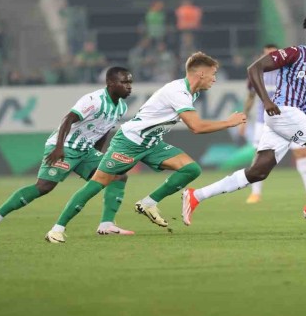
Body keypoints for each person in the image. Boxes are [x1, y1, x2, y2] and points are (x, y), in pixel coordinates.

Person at [181, 17, 306, 226]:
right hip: (284, 111)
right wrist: (266, 100)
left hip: (289, 117)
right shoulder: (295, 53)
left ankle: (196, 196)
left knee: (257, 172)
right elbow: (254, 69)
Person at [44, 52, 246, 243]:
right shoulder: (178, 92)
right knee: (98, 183)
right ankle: (56, 229)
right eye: (213, 73)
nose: (215, 79)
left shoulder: (191, 93)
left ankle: (148, 203)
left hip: (151, 143)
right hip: (130, 142)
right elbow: (196, 127)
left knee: (191, 169)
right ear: (201, 73)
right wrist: (229, 122)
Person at [0, 66, 135, 239]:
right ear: (110, 83)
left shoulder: (121, 107)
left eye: (130, 82)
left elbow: (103, 130)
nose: (129, 86)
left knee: (117, 176)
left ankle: (107, 224)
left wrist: (95, 154)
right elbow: (68, 119)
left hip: (86, 150)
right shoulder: (94, 100)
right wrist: (58, 148)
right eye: (124, 82)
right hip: (65, 146)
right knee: (44, 187)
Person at [240, 44, 306, 204]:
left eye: (273, 54)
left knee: (300, 152)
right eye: (267, 55)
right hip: (263, 121)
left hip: (289, 120)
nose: (270, 58)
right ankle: (255, 193)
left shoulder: (289, 71)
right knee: (259, 156)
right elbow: (250, 97)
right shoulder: (257, 72)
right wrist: (244, 119)